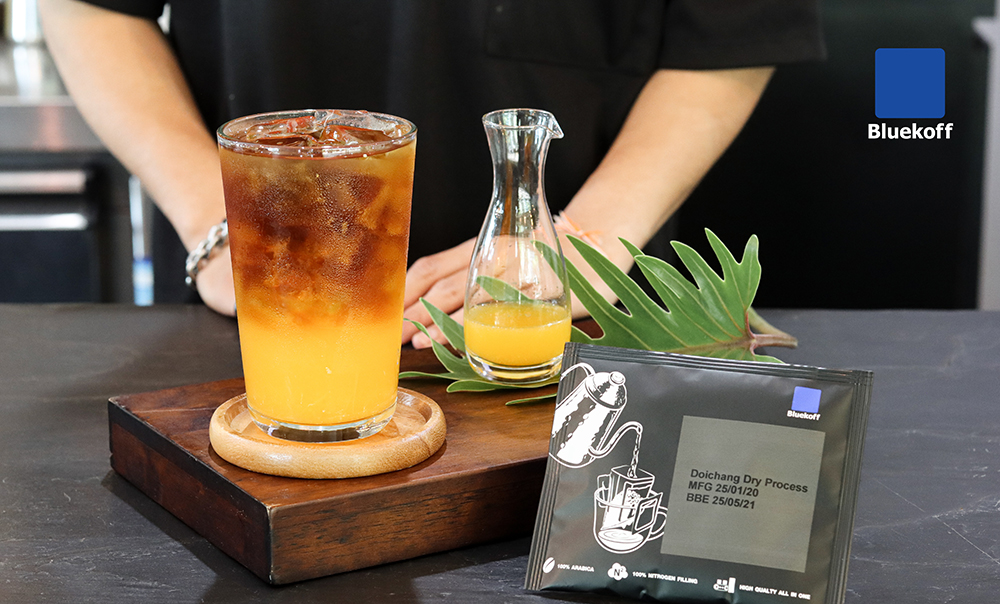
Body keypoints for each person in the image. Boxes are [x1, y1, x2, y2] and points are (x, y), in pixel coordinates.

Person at [38, 0, 823, 346]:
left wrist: (588, 242)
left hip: (571, 327)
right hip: (260, 318)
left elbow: (734, 30)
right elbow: (90, 7)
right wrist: (216, 222)